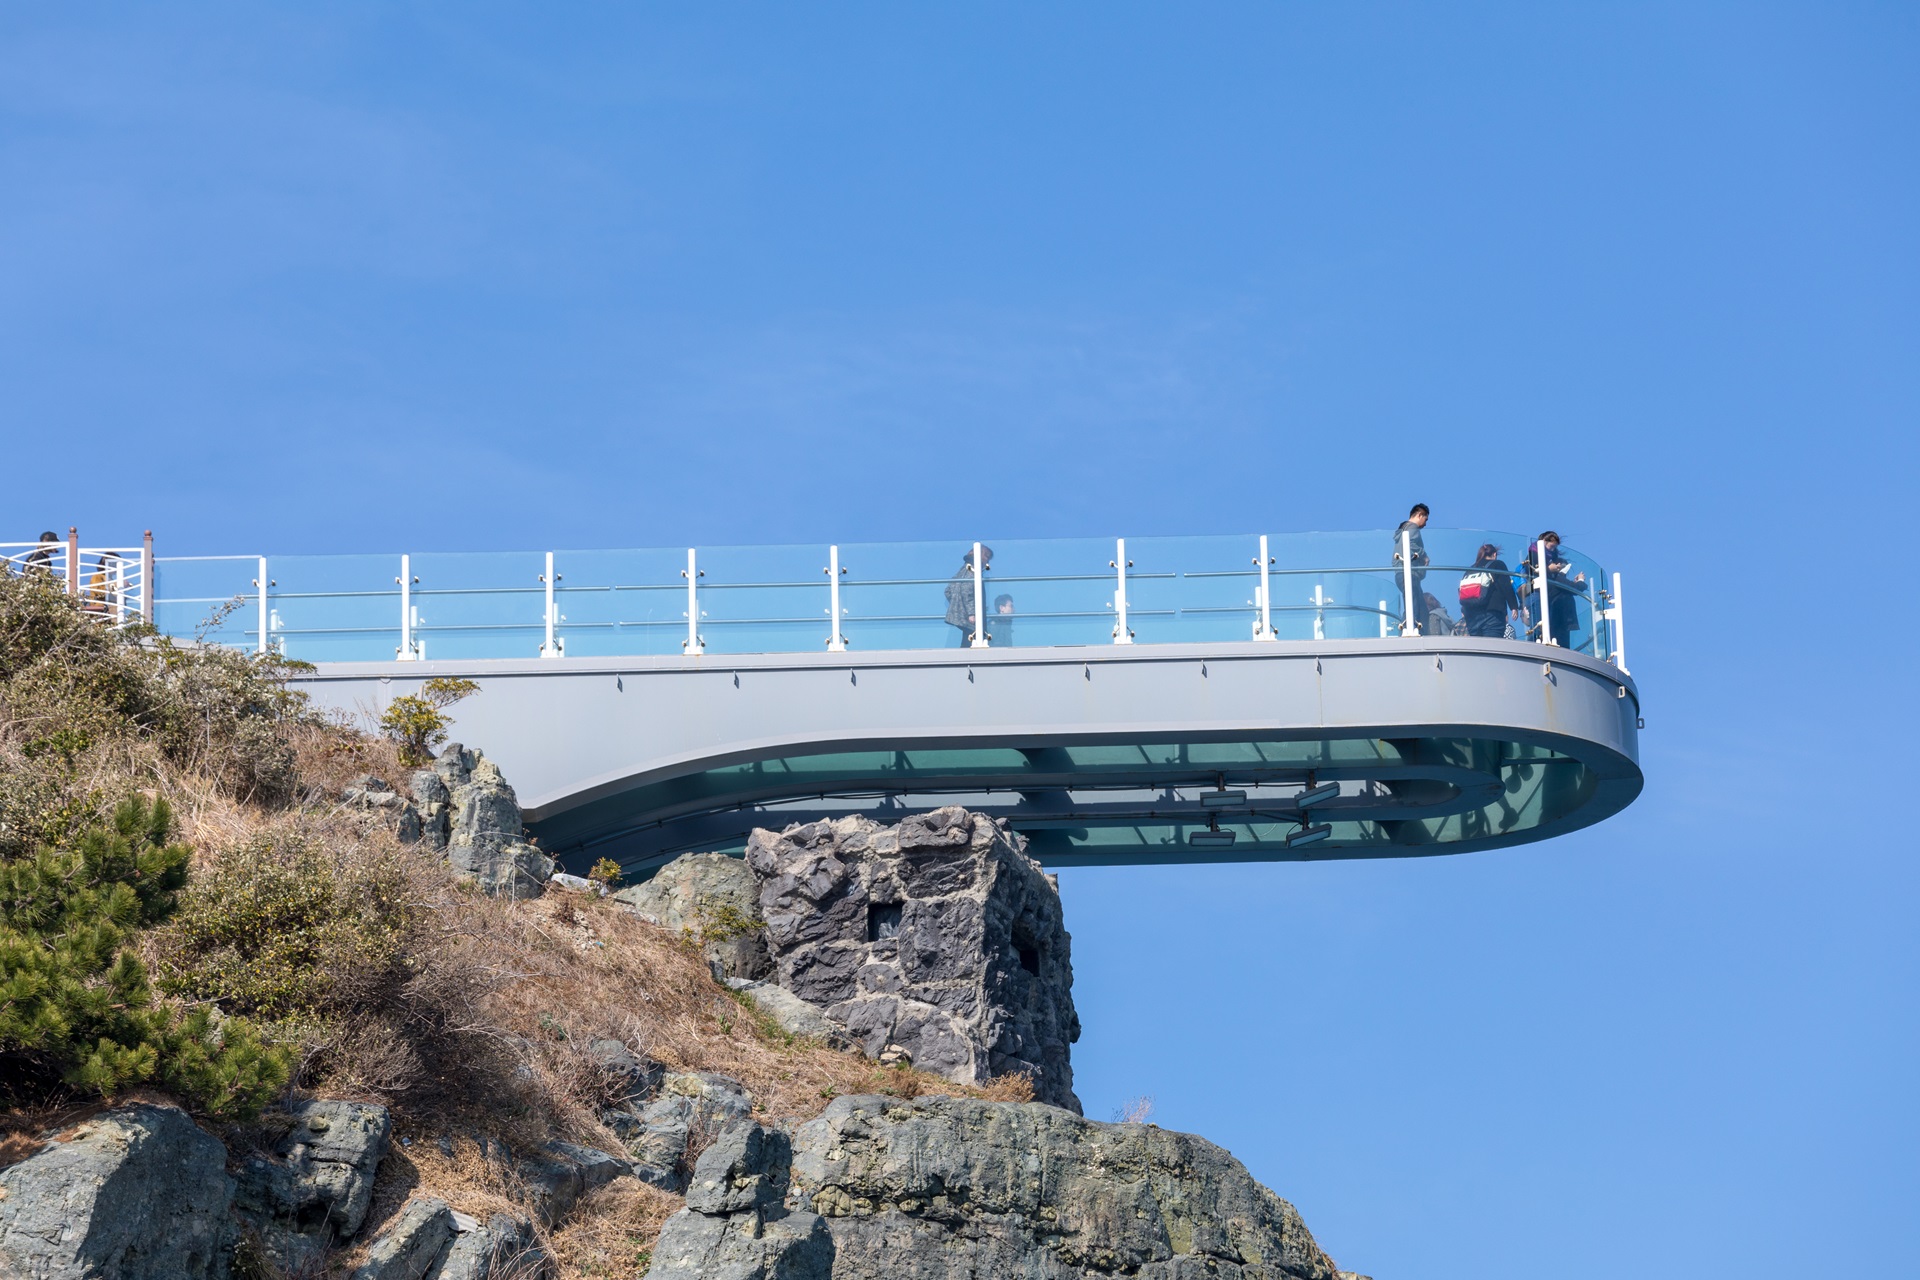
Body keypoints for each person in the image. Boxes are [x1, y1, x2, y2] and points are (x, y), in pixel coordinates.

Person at [1520, 531, 1587, 646]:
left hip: (1546, 598)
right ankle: (1532, 648)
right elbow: (1532, 573)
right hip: (1537, 594)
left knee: (1543, 627)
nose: (1552, 550)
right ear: (1544, 542)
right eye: (1551, 546)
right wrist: (1549, 569)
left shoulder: (1550, 558)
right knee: (1538, 627)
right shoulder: (1534, 555)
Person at [1457, 543, 1520, 638]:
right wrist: (1513, 607)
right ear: (1494, 554)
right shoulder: (1498, 564)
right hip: (1492, 615)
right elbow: (1506, 586)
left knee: (1478, 649)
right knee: (1492, 647)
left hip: (1471, 616)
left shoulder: (1470, 569)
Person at [1391, 504, 1430, 632]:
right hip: (1409, 573)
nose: (1425, 524)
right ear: (1419, 515)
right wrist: (1424, 556)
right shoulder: (1413, 528)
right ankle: (1413, 630)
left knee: (1412, 604)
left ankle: (1408, 628)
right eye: (1425, 519)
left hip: (1400, 573)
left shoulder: (1402, 530)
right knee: (1414, 606)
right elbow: (1411, 544)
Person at [944, 545, 992, 646]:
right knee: (972, 639)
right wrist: (971, 612)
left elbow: (948, 590)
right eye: (987, 556)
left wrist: (957, 604)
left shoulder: (963, 569)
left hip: (963, 614)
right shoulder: (973, 569)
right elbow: (967, 590)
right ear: (980, 555)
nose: (987, 561)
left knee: (967, 639)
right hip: (971, 616)